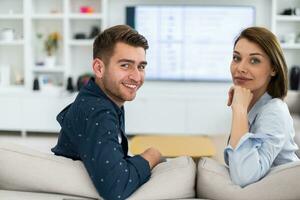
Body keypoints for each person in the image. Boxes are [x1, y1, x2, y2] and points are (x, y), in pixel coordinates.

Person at [52, 25, 162, 200]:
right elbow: (116, 187)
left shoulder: (105, 99)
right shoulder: (98, 111)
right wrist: (152, 154)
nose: (136, 77)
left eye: (141, 67)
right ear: (99, 68)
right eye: (125, 65)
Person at [224, 27, 299, 187]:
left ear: (273, 68)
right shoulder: (251, 102)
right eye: (236, 58)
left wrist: (239, 111)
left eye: (254, 60)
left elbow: (244, 177)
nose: (240, 68)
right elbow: (233, 161)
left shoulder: (274, 111)